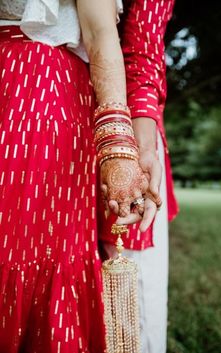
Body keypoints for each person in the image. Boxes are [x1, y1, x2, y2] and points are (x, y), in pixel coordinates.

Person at [0, 1, 174, 353]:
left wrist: (127, 146)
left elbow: (138, 47)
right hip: (30, 96)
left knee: (121, 291)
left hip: (52, 102)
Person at [99, 1, 179, 352]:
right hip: (49, 118)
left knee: (130, 296)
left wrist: (138, 144)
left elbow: (144, 46)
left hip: (128, 128)